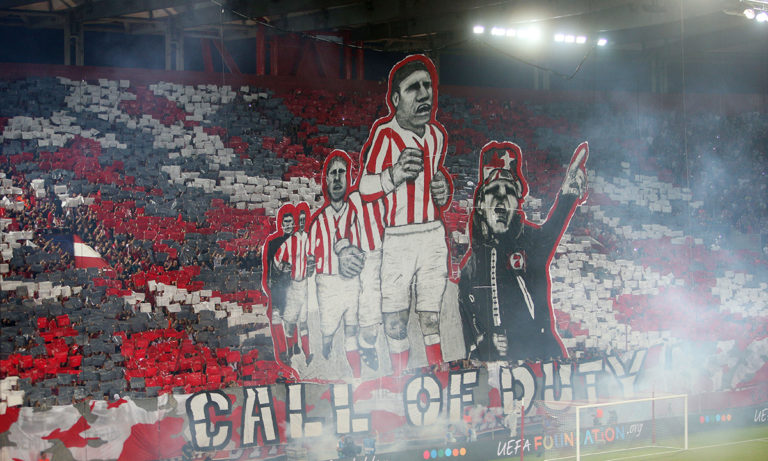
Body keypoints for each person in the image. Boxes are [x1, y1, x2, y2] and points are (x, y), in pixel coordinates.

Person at [359, 54, 452, 375]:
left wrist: (442, 191)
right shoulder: (385, 135)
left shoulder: (437, 135)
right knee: (396, 322)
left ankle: (439, 380)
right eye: (414, 87)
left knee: (430, 318)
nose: (424, 93)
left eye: (428, 85)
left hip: (432, 235)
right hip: (398, 238)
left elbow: (434, 183)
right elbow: (365, 187)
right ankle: (401, 381)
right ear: (396, 99)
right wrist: (394, 175)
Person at [458, 141, 588, 362]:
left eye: (509, 191)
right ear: (481, 202)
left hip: (539, 360)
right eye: (493, 191)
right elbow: (467, 326)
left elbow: (551, 230)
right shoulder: (470, 270)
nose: (501, 198)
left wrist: (568, 195)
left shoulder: (529, 242)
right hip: (496, 371)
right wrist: (485, 341)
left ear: (516, 204)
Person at [309, 150, 366, 377]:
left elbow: (365, 251)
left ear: (349, 178)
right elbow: (309, 258)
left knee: (352, 331)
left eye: (342, 172)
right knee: (328, 334)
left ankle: (357, 376)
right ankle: (327, 363)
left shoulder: (357, 215)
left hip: (352, 282)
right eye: (332, 173)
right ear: (326, 180)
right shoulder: (318, 221)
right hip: (327, 283)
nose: (337, 178)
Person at [273, 202, 314, 365]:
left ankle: (308, 353)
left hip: (304, 285)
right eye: (300, 220)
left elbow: (314, 256)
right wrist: (284, 268)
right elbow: (277, 260)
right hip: (292, 286)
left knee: (304, 321)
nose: (302, 223)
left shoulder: (309, 239)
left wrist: (312, 264)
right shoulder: (290, 242)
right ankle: (290, 350)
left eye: (304, 220)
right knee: (290, 322)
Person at [262, 203, 296, 363]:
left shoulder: (300, 240)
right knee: (276, 317)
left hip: (295, 284)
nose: (288, 225)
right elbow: (269, 263)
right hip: (278, 286)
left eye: (290, 222)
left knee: (292, 317)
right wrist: (269, 280)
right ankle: (282, 351)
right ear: (281, 224)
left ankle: (293, 347)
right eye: (286, 222)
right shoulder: (273, 242)